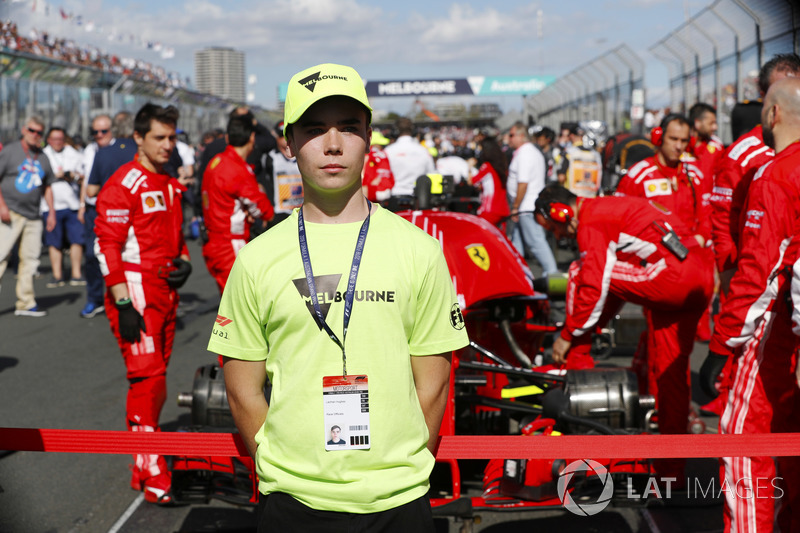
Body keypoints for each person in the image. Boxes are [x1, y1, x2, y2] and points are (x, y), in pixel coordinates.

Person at [209, 63, 468, 532]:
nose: (333, 145)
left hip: (400, 501)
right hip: (291, 501)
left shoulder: (420, 251)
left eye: (348, 128)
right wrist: (280, 465)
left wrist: (401, 469)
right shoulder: (257, 259)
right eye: (314, 129)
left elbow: (432, 384)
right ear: (287, 143)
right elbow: (241, 388)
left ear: (370, 136)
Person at [535, 184, 712, 480]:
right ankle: (673, 470)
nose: (556, 236)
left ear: (562, 212)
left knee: (580, 273)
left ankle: (576, 364)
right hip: (699, 276)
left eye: (553, 228)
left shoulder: (591, 220)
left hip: (672, 276)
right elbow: (615, 282)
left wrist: (568, 335)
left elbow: (594, 285)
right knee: (671, 376)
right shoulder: (609, 209)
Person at [700, 77, 800, 533]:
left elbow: (758, 271)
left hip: (776, 325)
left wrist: (721, 346)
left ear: (774, 113)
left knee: (746, 442)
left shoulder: (774, 173)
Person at [94, 103, 193, 504]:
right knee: (149, 379)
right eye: (160, 137)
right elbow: (107, 247)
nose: (168, 145)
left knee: (155, 379)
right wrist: (122, 303)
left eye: (172, 137)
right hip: (136, 293)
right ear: (138, 138)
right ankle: (154, 471)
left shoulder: (167, 181)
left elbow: (176, 235)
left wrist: (184, 261)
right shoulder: (123, 184)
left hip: (165, 292)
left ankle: (142, 462)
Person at [711, 53, 800, 296]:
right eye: (779, 87)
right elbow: (723, 222)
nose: (790, 92)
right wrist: (730, 281)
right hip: (766, 287)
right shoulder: (741, 155)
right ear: (765, 96)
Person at [201, 111, 274, 294]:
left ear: (227, 138)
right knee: (242, 306)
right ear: (251, 138)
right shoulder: (238, 169)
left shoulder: (216, 162)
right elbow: (264, 210)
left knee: (229, 304)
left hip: (214, 240)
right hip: (230, 243)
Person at [0, 116, 56, 316]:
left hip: (33, 215)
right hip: (10, 212)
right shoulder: (10, 151)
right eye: (32, 130)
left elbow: (48, 186)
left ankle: (26, 302)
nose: (35, 135)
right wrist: (2, 207)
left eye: (39, 132)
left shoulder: (43, 156)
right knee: (0, 257)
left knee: (30, 260)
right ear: (24, 130)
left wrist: (51, 212)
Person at [79, 112, 124, 319]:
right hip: (92, 209)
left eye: (103, 131)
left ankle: (118, 298)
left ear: (111, 131)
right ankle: (95, 299)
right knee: (90, 256)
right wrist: (81, 205)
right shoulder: (89, 150)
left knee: (117, 255)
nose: (99, 135)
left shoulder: (118, 150)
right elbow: (86, 183)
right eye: (95, 131)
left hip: (115, 210)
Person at [505, 121, 558, 275]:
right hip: (526, 206)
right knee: (517, 245)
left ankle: (552, 274)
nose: (509, 138)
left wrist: (515, 206)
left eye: (512, 135)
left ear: (521, 136)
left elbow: (523, 183)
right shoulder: (529, 152)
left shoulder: (525, 153)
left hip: (526, 207)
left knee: (535, 242)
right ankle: (520, 277)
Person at [42, 126, 85, 287]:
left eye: (60, 139)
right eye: (54, 139)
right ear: (49, 140)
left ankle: (76, 274)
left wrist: (72, 175)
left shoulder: (73, 154)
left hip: (72, 203)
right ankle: (57, 275)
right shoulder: (43, 155)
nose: (57, 142)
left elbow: (83, 177)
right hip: (50, 206)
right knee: (54, 242)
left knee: (76, 240)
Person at [384, 116, 435, 198]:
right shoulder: (424, 151)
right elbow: (432, 174)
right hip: (419, 198)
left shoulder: (388, 151)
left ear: (395, 132)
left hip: (393, 198)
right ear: (413, 131)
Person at [268, 120, 303, 223]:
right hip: (280, 212)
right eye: (281, 136)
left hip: (302, 210)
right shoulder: (271, 158)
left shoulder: (303, 156)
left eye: (287, 135)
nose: (285, 139)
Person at [556, 124, 603, 197]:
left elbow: (561, 177)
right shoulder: (595, 155)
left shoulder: (568, 153)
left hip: (573, 198)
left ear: (571, 136)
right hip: (591, 198)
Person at [361, 129, 394, 202]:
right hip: (376, 196)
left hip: (367, 195)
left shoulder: (363, 155)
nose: (382, 146)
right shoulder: (379, 155)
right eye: (380, 144)